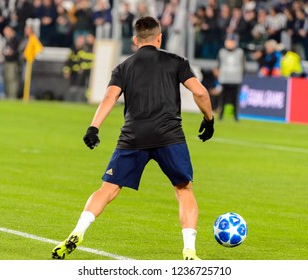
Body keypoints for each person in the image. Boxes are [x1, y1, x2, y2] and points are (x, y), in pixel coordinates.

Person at [52, 16, 214, 261]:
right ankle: (189, 250)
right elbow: (200, 92)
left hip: (133, 136)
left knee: (108, 188)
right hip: (169, 136)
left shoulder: (124, 67)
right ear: (159, 37)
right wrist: (209, 119)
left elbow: (109, 98)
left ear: (135, 41)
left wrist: (93, 128)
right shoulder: (176, 62)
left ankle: (78, 230)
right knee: (184, 189)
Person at [216, 34, 245, 121]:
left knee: (235, 99)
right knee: (222, 99)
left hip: (236, 79)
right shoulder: (222, 52)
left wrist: (241, 75)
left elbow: (243, 65)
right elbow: (218, 64)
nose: (230, 44)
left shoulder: (240, 52)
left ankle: (236, 116)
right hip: (224, 78)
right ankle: (220, 115)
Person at [2, 25, 20, 99]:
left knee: (12, 79)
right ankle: (7, 94)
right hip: (6, 61)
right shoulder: (5, 40)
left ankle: (12, 95)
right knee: (6, 78)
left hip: (12, 62)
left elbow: (15, 51)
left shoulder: (15, 40)